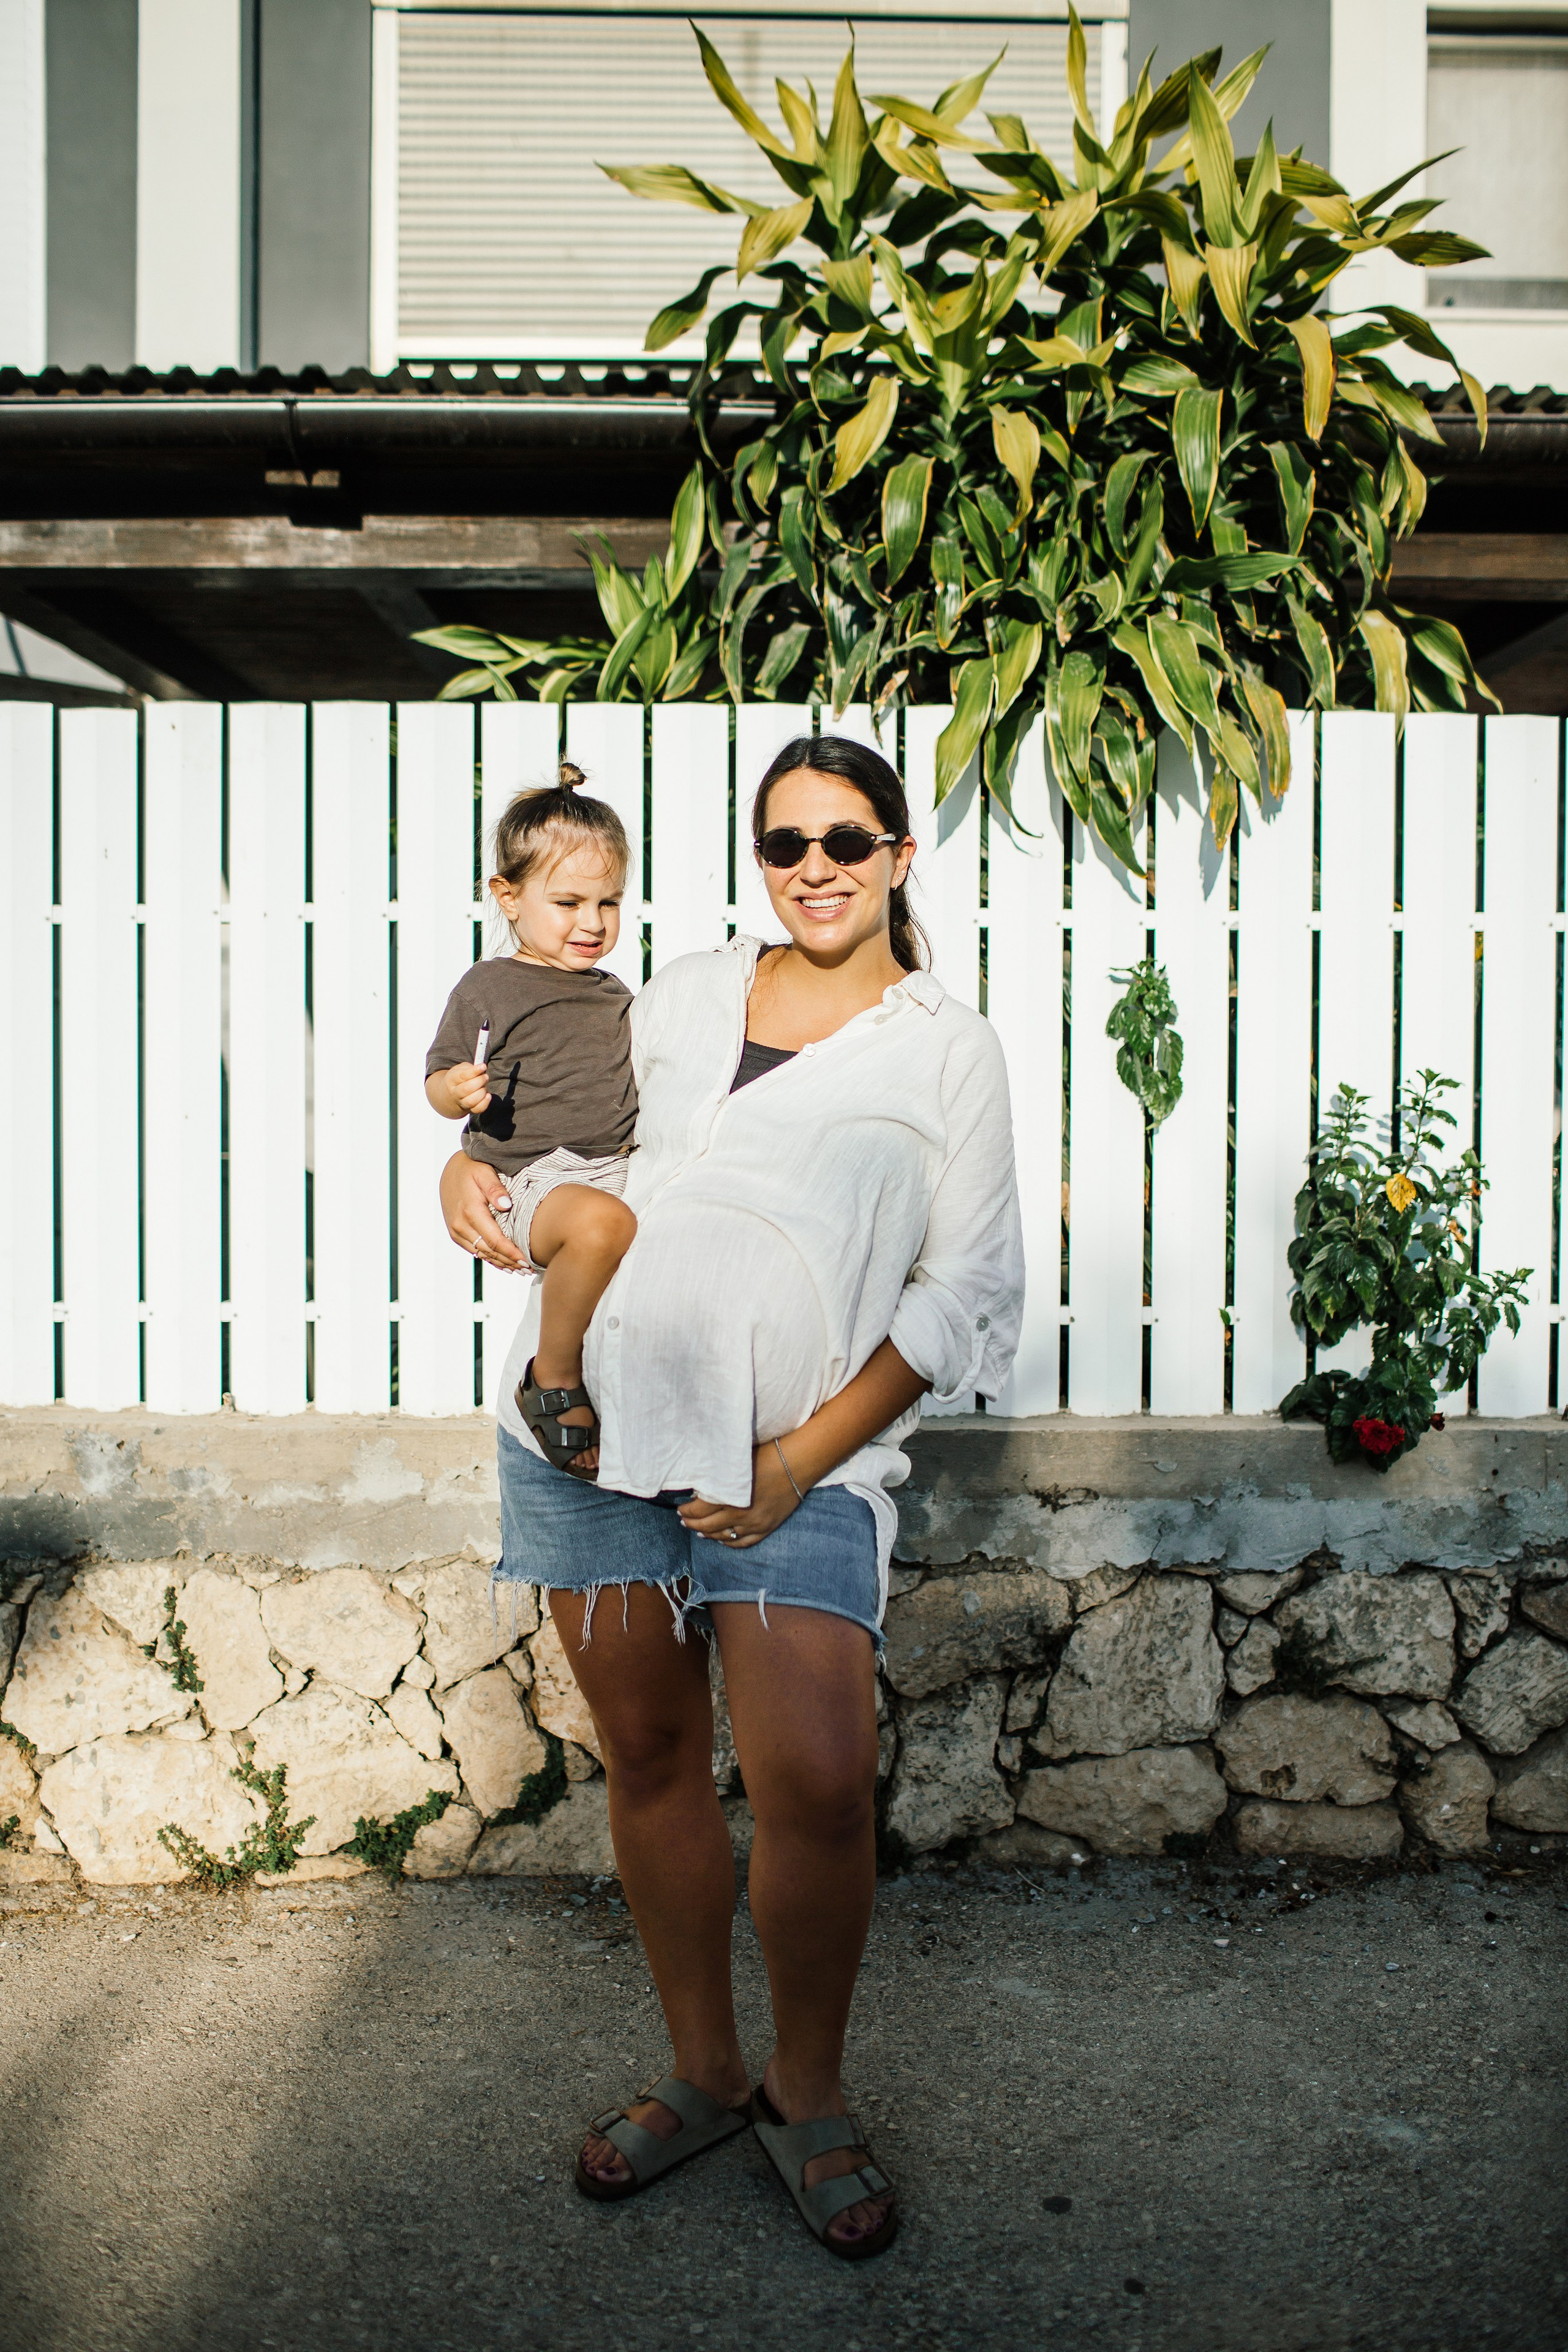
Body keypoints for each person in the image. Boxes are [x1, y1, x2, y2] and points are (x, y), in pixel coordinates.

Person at [440, 733, 1023, 2259]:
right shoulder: (682, 992)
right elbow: (559, 1122)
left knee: (818, 1776)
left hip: (794, 1460)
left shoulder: (943, 1046)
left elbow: (964, 1294)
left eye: (845, 837)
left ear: (899, 853)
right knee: (645, 1752)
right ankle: (705, 2067)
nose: (813, 866)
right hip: (590, 1431)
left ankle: (805, 2090)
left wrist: (796, 1461)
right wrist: (459, 1161)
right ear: (756, 860)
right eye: (783, 843)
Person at [426, 763, 638, 1476]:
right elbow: (436, 1082)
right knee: (601, 1225)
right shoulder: (491, 984)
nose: (592, 922)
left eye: (608, 903)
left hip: (614, 1168)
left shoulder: (613, 992)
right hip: (533, 1178)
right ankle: (552, 1377)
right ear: (508, 897)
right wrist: (458, 1091)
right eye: (569, 901)